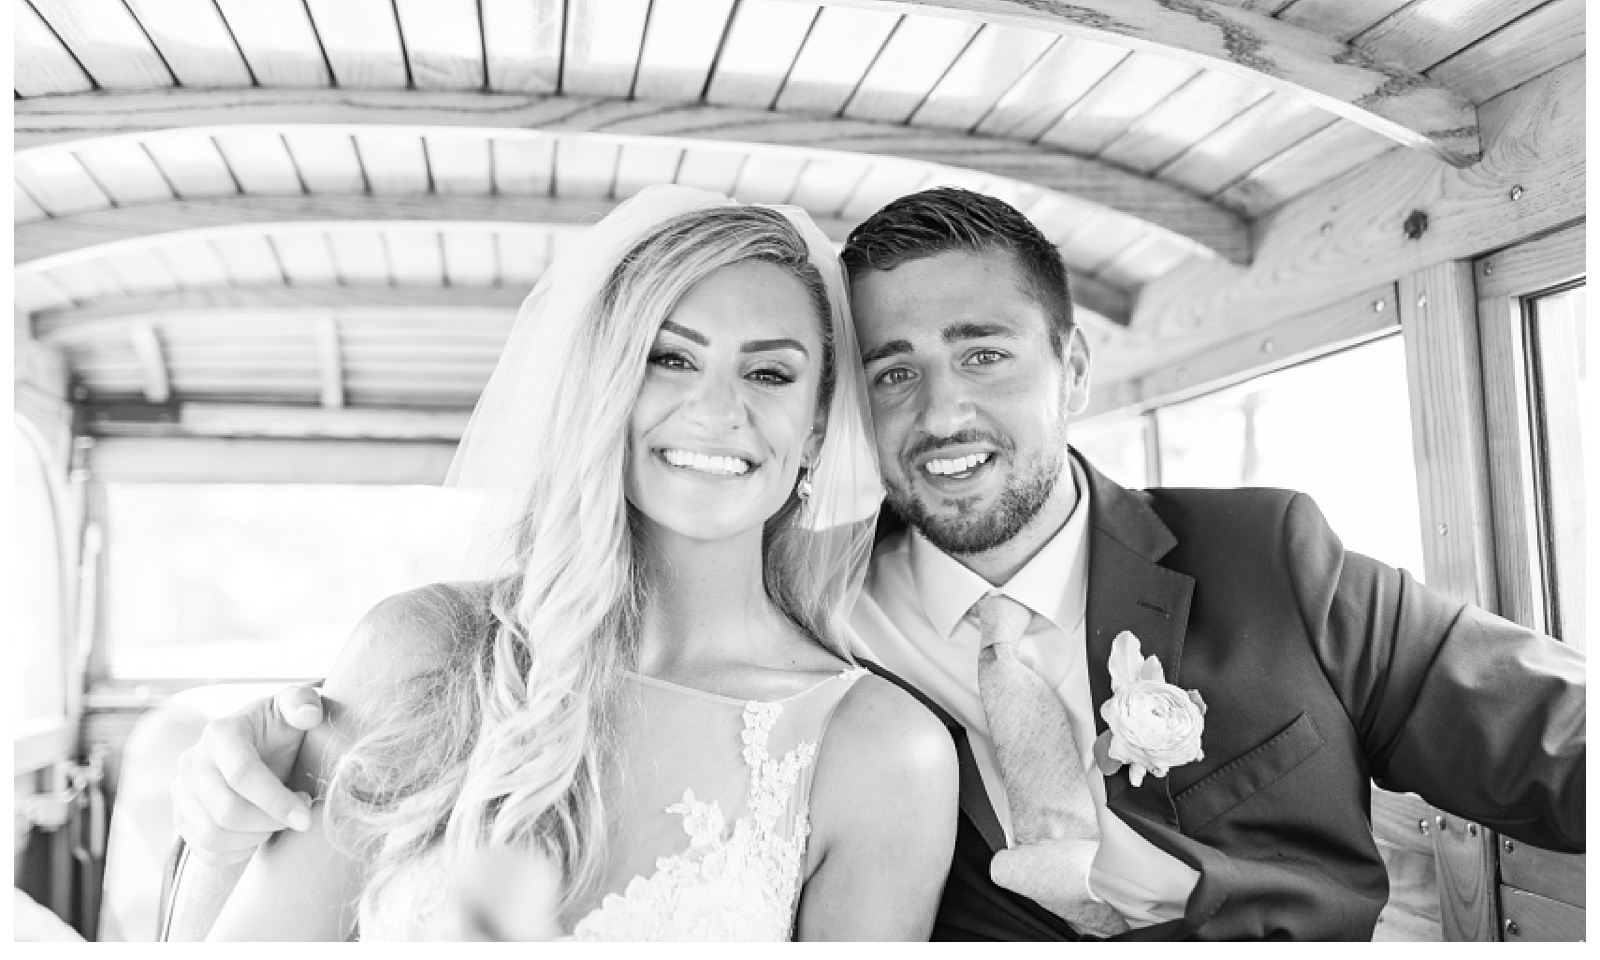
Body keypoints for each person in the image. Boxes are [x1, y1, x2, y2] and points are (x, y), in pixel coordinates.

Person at [175, 188, 1585, 941]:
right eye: (895, 370)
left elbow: (1559, 745)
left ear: (1070, 365)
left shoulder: (1274, 556)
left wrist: (1181, 893)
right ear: (851, 413)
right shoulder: (821, 608)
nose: (944, 412)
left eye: (984, 354)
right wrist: (234, 800)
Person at [195, 186, 958, 940]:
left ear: (818, 429)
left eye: (768, 373)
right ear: (605, 386)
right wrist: (213, 846)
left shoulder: (883, 754)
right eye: (670, 357)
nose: (719, 409)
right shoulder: (412, 652)